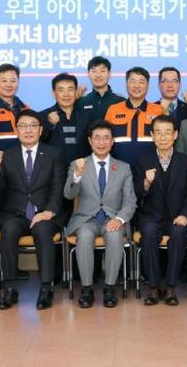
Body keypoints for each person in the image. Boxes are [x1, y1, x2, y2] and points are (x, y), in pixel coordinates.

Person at [0, 110, 66, 310]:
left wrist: (49, 211)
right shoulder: (7, 155)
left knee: (43, 230)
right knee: (8, 230)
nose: (28, 130)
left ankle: (46, 288)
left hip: (45, 213)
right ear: (17, 130)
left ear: (41, 130)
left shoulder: (53, 154)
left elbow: (58, 187)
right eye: (23, 126)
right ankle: (9, 288)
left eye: (33, 126)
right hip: (16, 213)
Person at [64, 120, 137, 308]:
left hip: (113, 218)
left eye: (106, 138)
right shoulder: (78, 164)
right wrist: (77, 175)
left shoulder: (123, 167)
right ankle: (86, 288)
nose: (101, 142)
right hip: (86, 219)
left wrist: (119, 219)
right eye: (97, 138)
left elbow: (130, 200)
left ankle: (110, 288)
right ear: (90, 141)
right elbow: (68, 194)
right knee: (85, 236)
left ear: (112, 141)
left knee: (114, 236)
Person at [133, 115, 187, 305]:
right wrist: (145, 183)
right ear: (152, 135)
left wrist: (185, 215)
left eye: (167, 133)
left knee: (178, 233)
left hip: (178, 217)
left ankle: (170, 287)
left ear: (175, 135)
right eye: (158, 133)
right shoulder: (142, 161)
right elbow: (135, 194)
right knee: (149, 233)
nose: (163, 137)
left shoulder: (186, 162)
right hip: (151, 217)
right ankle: (153, 288)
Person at [104, 66, 164, 167]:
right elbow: (104, 140)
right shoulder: (113, 110)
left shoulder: (158, 110)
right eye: (132, 81)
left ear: (148, 86)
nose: (136, 86)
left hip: (150, 169)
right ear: (126, 84)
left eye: (141, 82)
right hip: (118, 169)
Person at [39, 72, 91, 164]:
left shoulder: (87, 117)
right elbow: (35, 145)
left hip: (82, 170)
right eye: (61, 90)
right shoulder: (42, 116)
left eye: (70, 89)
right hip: (53, 170)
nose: (66, 94)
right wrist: (49, 125)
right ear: (54, 93)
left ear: (76, 92)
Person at [76, 56, 125, 124]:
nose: (98, 75)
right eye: (94, 71)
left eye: (102, 71)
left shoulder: (120, 101)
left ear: (109, 74)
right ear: (88, 74)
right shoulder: (82, 101)